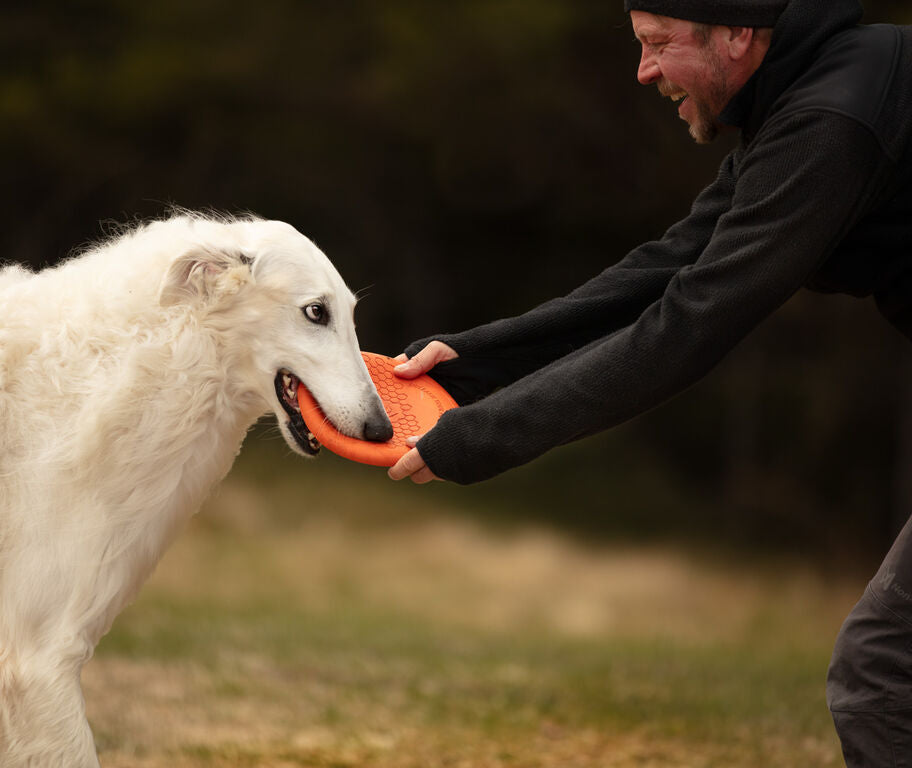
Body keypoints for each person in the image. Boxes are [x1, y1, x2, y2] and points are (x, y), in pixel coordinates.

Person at [386, 0, 912, 764]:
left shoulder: (832, 121)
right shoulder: (817, 94)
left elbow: (690, 324)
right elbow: (668, 268)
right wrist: (471, 366)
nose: (644, 71)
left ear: (737, 34)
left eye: (660, 44)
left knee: (883, 672)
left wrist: (477, 438)